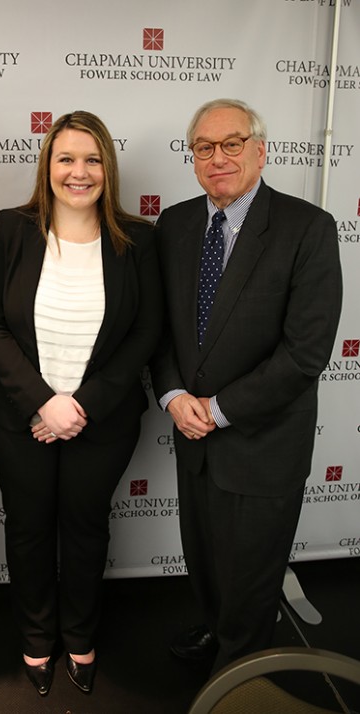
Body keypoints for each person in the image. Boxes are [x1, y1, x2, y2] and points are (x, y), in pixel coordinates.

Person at [150, 98, 342, 674]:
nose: (218, 158)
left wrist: (219, 408)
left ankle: (240, 677)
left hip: (263, 445)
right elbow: (158, 329)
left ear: (261, 150)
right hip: (193, 438)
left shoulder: (308, 228)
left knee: (253, 578)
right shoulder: (176, 224)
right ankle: (221, 632)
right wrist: (172, 395)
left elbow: (305, 353)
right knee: (206, 563)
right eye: (204, 148)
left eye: (232, 143)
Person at [0, 110, 162, 696]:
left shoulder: (138, 239)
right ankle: (36, 639)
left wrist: (77, 407)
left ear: (107, 166)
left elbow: (146, 334)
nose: (78, 172)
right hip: (18, 420)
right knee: (28, 529)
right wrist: (41, 403)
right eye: (66, 159)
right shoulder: (13, 228)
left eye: (92, 159)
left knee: (85, 528)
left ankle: (80, 636)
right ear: (47, 166)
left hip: (101, 422)